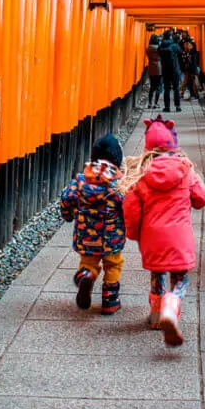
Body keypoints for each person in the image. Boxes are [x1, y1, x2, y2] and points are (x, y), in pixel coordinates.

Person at [121, 116, 205, 346]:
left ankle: (156, 315)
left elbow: (130, 208)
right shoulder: (186, 170)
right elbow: (201, 199)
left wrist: (133, 233)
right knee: (180, 278)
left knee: (157, 275)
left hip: (152, 237)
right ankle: (172, 305)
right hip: (180, 237)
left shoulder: (142, 175)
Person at [60, 133, 126, 314]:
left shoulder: (81, 179)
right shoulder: (117, 183)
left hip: (86, 235)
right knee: (113, 265)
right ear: (117, 159)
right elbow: (128, 204)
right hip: (111, 238)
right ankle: (110, 300)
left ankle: (86, 276)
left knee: (88, 262)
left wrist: (67, 215)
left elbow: (67, 197)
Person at [158, 32, 182, 113]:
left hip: (165, 69)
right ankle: (177, 106)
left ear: (164, 36)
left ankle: (167, 107)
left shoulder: (161, 45)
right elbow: (180, 52)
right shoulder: (175, 45)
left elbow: (159, 54)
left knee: (167, 88)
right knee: (176, 88)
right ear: (171, 37)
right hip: (175, 68)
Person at [145, 34, 163, 108]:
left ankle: (149, 103)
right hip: (158, 68)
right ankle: (155, 103)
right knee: (158, 86)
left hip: (151, 67)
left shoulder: (148, 49)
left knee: (152, 86)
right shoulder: (159, 48)